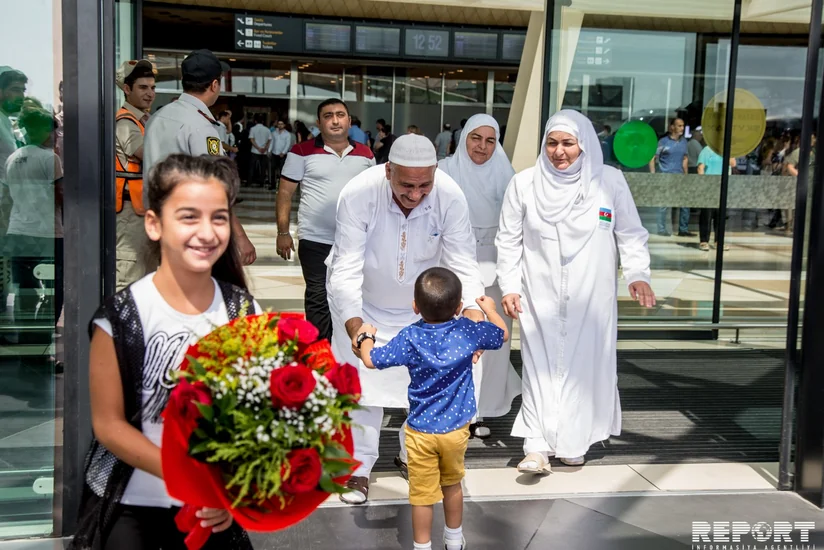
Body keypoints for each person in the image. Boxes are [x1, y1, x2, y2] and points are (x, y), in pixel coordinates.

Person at [69, 155, 256, 550]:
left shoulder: (243, 310)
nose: (206, 232)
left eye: (219, 218)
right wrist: (188, 477)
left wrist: (230, 492)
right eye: (189, 217)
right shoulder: (120, 317)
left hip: (211, 512)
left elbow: (255, 413)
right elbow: (109, 425)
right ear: (154, 224)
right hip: (131, 507)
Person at [326, 134, 485, 505]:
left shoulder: (450, 195)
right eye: (406, 185)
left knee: (427, 386)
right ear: (388, 171)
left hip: (423, 310)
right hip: (363, 303)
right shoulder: (358, 193)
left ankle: (414, 459)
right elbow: (345, 270)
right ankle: (357, 469)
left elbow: (464, 262)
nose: (415, 195)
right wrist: (356, 328)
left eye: (424, 185)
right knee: (360, 388)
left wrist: (473, 323)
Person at [496, 110, 655, 471]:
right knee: (538, 366)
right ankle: (536, 445)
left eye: (568, 143)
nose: (559, 151)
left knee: (585, 366)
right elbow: (508, 241)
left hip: (591, 294)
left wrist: (637, 273)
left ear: (584, 144)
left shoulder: (608, 182)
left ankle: (573, 439)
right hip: (538, 291)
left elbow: (630, 233)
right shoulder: (524, 183)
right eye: (552, 143)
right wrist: (509, 285)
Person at [356, 268, 507, 550]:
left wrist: (366, 337)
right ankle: (453, 539)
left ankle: (422, 546)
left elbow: (371, 360)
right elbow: (502, 334)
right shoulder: (467, 329)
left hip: (420, 432)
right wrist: (489, 309)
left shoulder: (411, 337)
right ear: (460, 306)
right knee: (452, 485)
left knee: (422, 495)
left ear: (415, 306)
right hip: (456, 432)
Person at [438, 114, 520, 439]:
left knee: (492, 341)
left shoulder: (508, 176)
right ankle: (452, 408)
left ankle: (482, 410)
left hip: (496, 268)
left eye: (490, 140)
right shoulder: (444, 171)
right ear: (464, 138)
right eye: (476, 138)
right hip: (452, 265)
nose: (482, 146)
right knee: (453, 340)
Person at [142, 49, 256, 266]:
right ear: (214, 85)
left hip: (156, 223)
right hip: (190, 230)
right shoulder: (200, 126)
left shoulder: (157, 116)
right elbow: (217, 186)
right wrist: (240, 237)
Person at [276, 99, 374, 341]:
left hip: (354, 241)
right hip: (315, 239)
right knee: (318, 298)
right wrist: (283, 232)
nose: (335, 120)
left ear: (349, 121)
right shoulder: (301, 151)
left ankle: (348, 350)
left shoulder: (366, 154)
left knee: (350, 296)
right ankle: (320, 354)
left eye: (340, 115)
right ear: (319, 123)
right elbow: (285, 193)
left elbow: (375, 196)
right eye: (328, 116)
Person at [4, 101, 64, 340]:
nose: (55, 136)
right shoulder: (50, 159)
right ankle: (42, 341)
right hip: (46, 233)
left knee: (24, 292)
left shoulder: (13, 158)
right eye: (51, 131)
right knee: (54, 290)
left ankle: (26, 341)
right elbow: (61, 196)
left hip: (18, 231)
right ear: (38, 131)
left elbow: (9, 197)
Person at [114, 59, 156, 291]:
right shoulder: (125, 122)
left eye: (152, 87)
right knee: (129, 279)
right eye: (143, 87)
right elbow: (148, 154)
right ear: (127, 89)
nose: (150, 93)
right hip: (130, 213)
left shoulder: (144, 120)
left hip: (143, 210)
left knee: (146, 276)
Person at [649, 118, 690, 237]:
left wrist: (686, 175)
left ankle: (683, 229)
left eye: (683, 126)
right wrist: (653, 175)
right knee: (663, 203)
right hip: (665, 176)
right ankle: (661, 228)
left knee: (685, 203)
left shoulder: (684, 142)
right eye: (679, 126)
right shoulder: (663, 142)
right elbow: (653, 158)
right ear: (672, 127)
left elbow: (685, 158)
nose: (682, 128)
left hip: (679, 177)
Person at [696, 145, 736, 251]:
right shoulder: (707, 150)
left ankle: (719, 241)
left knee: (720, 215)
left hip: (722, 187)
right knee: (707, 215)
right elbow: (700, 168)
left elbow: (733, 163)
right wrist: (703, 185)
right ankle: (704, 241)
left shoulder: (727, 150)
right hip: (709, 187)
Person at [247, 114, 271, 187]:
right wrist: (265, 148)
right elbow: (269, 140)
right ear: (263, 121)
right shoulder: (267, 129)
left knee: (252, 167)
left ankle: (249, 182)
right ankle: (261, 182)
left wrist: (258, 148)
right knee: (263, 167)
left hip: (255, 151)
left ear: (255, 121)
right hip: (264, 151)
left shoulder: (253, 129)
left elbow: (252, 139)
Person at [269, 119, 291, 190]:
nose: (280, 125)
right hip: (274, 153)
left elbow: (287, 144)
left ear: (284, 125)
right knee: (272, 170)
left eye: (281, 124)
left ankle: (281, 186)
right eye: (279, 124)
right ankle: (272, 185)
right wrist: (269, 151)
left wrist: (283, 152)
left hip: (282, 155)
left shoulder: (287, 134)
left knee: (282, 171)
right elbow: (271, 142)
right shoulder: (274, 133)